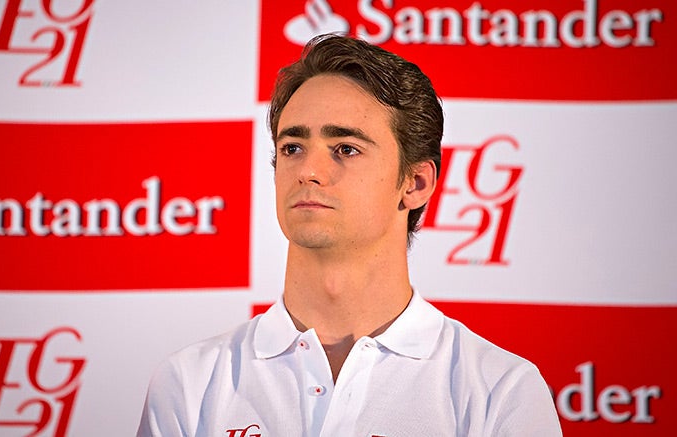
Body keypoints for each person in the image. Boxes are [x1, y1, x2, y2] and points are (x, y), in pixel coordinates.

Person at [138, 34, 562, 436]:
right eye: (292, 148)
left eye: (345, 148)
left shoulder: (500, 391)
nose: (308, 171)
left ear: (415, 183)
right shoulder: (189, 383)